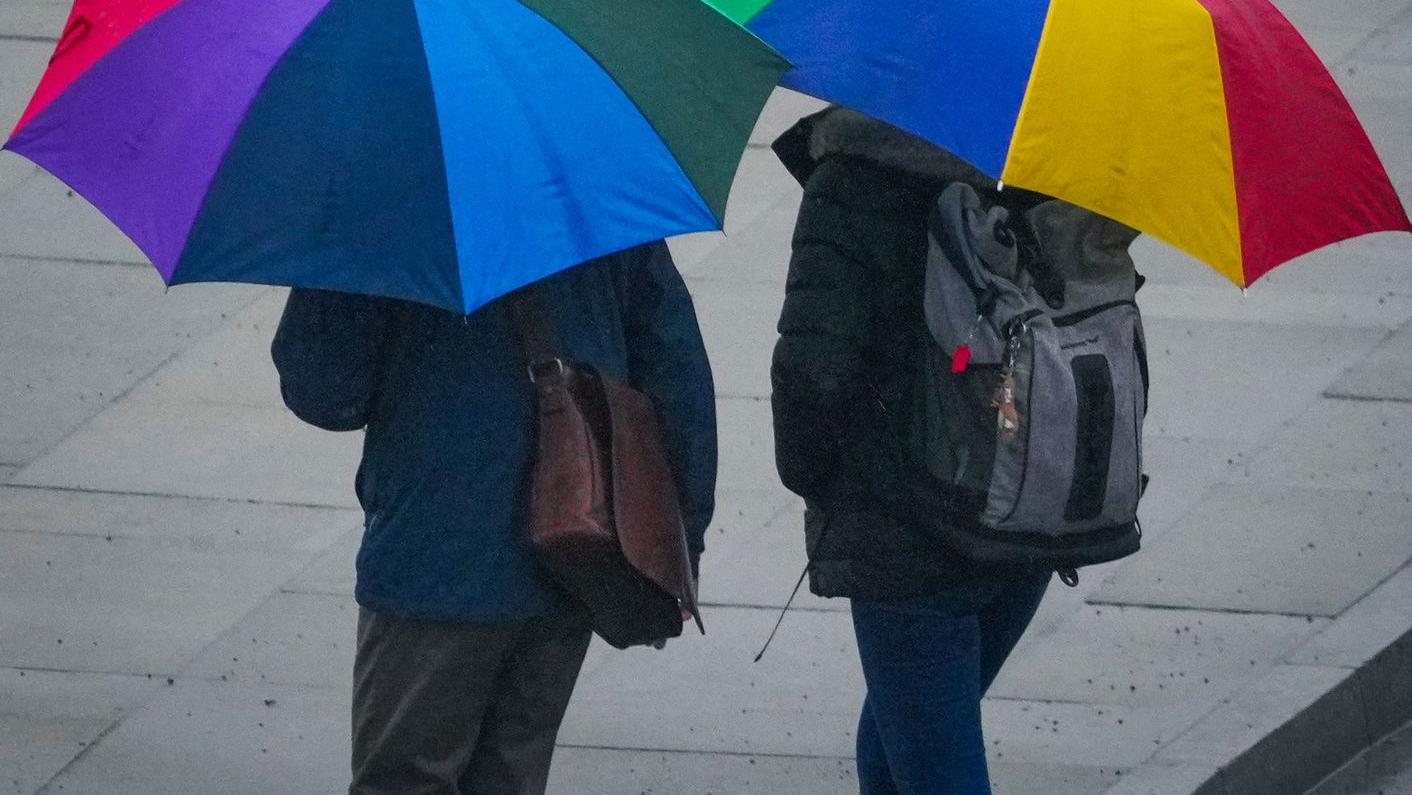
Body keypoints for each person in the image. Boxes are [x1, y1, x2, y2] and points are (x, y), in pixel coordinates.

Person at [271, 243, 715, 795]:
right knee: (511, 774)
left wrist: (329, 264)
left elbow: (325, 391)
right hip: (577, 547)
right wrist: (676, 549)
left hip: (438, 555)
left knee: (406, 779)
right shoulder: (600, 204)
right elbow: (677, 373)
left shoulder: (387, 218)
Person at [770, 106, 1051, 795]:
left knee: (927, 753)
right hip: (1030, 503)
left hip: (906, 526)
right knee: (905, 738)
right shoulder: (1049, 169)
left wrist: (818, 482)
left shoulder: (853, 179)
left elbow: (811, 373)